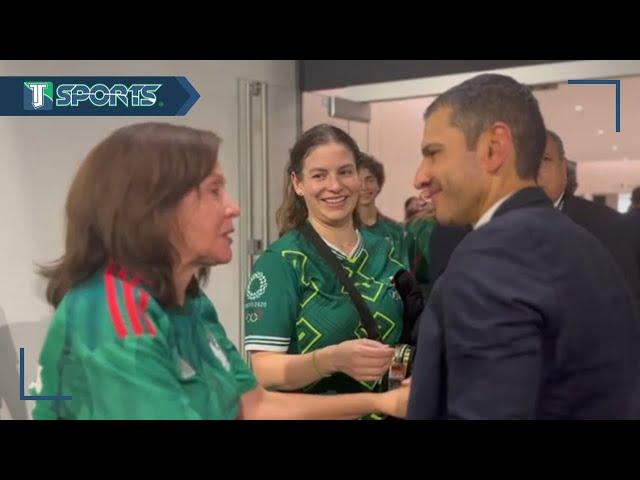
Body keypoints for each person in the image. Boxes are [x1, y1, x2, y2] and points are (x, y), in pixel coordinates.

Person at [32, 122, 409, 420]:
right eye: (215, 191)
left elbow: (254, 406)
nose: (234, 208)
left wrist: (384, 403)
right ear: (156, 208)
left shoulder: (191, 301)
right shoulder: (110, 315)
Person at [407, 74, 639, 419]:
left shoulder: (492, 258)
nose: (420, 176)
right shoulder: (581, 243)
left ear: (493, 148)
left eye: (433, 153)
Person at [244, 124, 418, 418]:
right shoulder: (282, 262)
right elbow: (265, 371)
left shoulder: (388, 250)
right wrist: (330, 360)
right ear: (298, 184)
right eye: (319, 175)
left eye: (345, 172)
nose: (335, 186)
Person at [537, 130, 640, 305]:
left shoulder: (614, 229)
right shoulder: (484, 229)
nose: (532, 171)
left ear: (563, 167)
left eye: (545, 160)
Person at [356, 153, 410, 264]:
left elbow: (403, 271)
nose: (364, 187)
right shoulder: (342, 229)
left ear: (378, 185)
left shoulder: (395, 231)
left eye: (369, 180)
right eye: (358, 181)